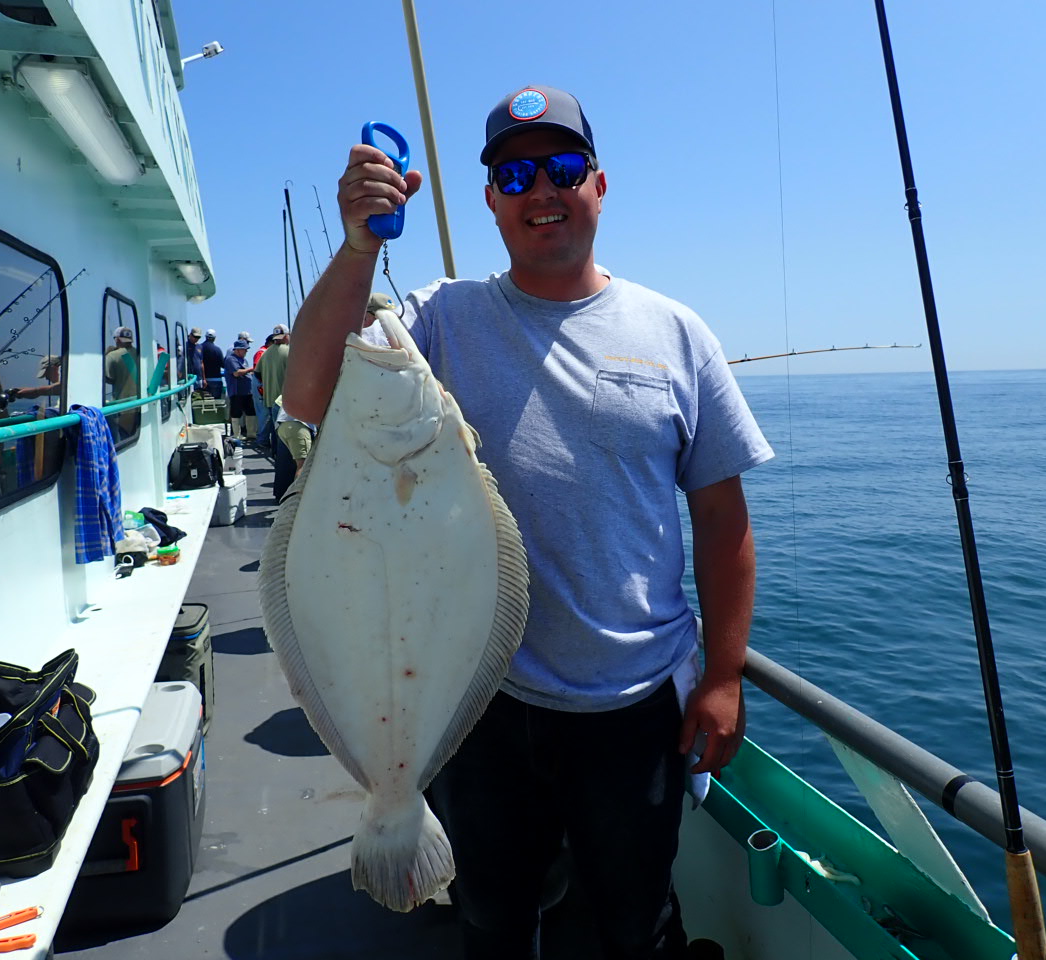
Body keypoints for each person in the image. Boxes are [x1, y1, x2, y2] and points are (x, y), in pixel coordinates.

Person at [283, 85, 773, 959]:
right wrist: (359, 247)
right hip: (483, 703)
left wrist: (725, 676)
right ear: (490, 200)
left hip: (633, 706)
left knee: (638, 923)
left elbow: (722, 524)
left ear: (600, 183)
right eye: (514, 174)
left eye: (562, 167)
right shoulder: (440, 318)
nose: (540, 190)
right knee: (494, 921)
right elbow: (309, 392)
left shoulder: (677, 332)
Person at [254, 324, 289, 439]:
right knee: (284, 429)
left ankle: (275, 453)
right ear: (285, 336)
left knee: (274, 429)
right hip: (284, 399)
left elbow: (257, 372)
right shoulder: (289, 351)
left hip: (269, 398)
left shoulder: (266, 353)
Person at [222, 338, 257, 440]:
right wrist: (251, 369)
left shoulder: (244, 360)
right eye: (244, 349)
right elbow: (236, 373)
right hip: (237, 391)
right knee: (236, 412)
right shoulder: (230, 359)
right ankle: (237, 434)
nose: (246, 351)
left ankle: (251, 433)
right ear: (237, 350)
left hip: (247, 391)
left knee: (251, 411)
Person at [201, 329, 225, 399]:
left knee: (202, 405)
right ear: (214, 338)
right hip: (216, 380)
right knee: (216, 404)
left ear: (205, 337)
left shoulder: (199, 348)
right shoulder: (217, 350)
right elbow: (223, 365)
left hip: (202, 381)